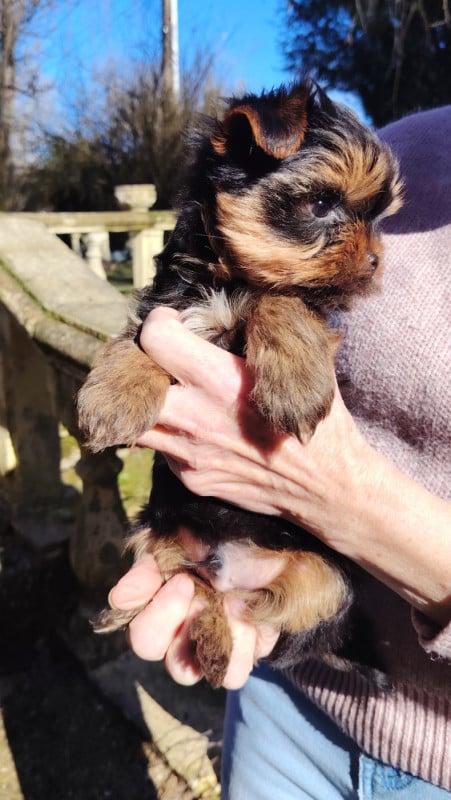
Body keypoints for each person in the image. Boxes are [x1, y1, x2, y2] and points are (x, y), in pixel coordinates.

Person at [108, 104, 451, 798]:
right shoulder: (403, 142)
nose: (371, 250)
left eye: (373, 220)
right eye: (324, 206)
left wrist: (337, 496)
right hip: (283, 696)